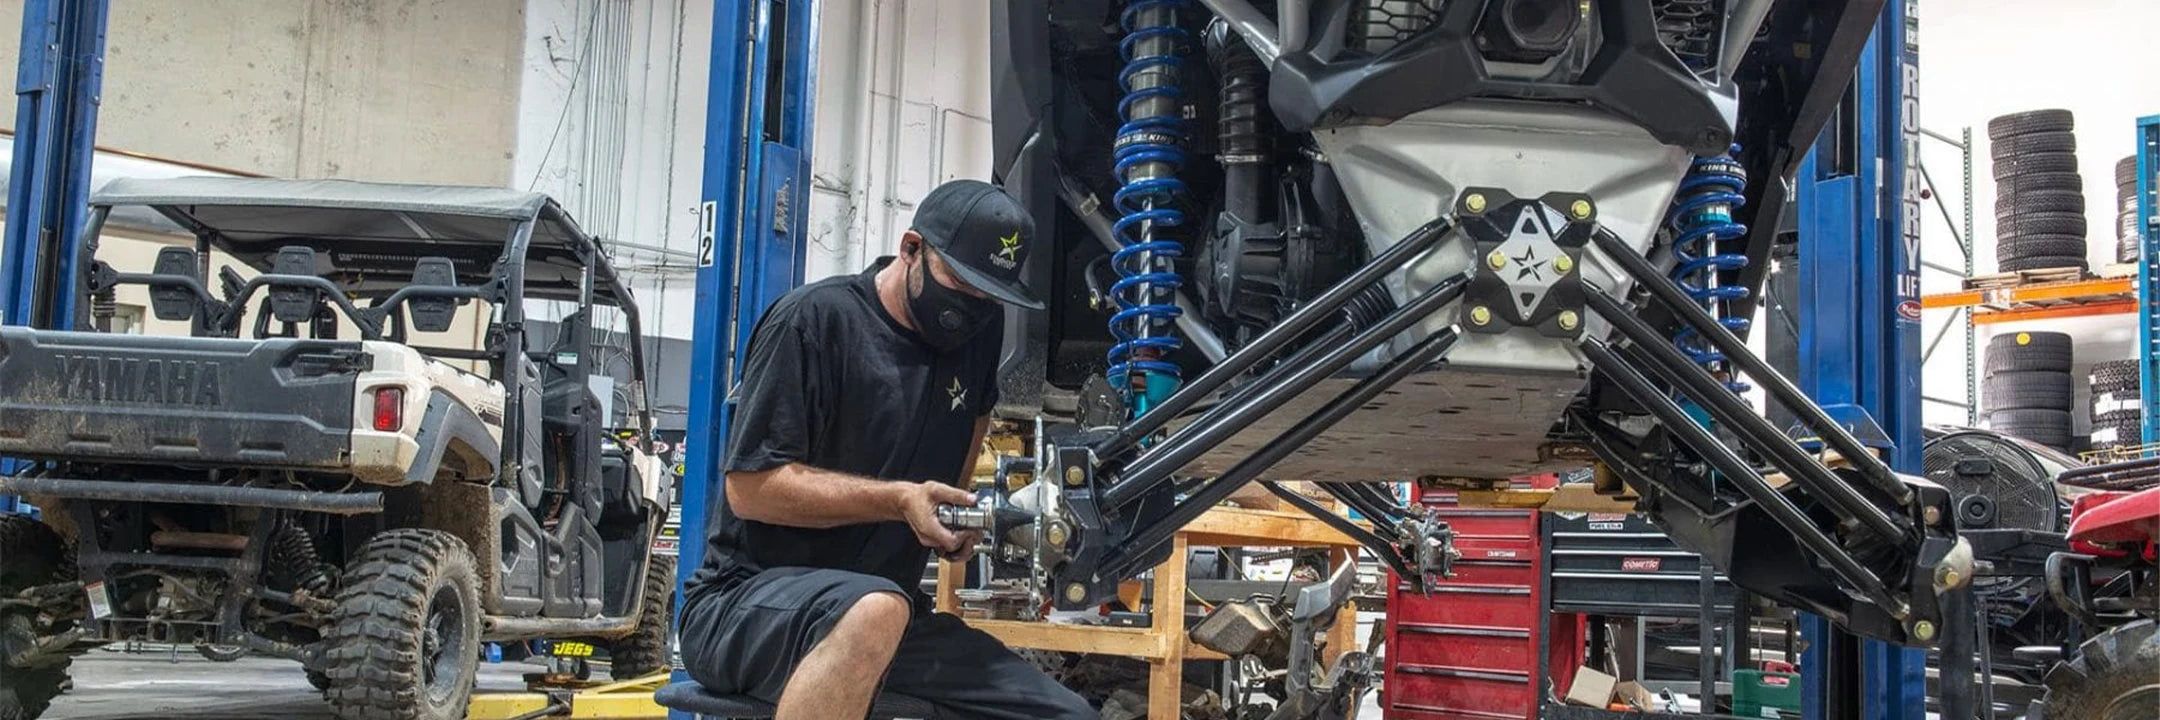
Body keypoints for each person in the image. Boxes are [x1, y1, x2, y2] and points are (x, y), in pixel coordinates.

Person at [679, 180, 1094, 720]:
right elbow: (751, 490)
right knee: (874, 609)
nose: (971, 308)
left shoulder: (979, 334)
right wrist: (899, 501)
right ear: (911, 248)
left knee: (1067, 715)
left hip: (893, 616)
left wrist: (954, 521)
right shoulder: (813, 322)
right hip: (744, 606)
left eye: (989, 297)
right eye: (959, 283)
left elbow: (974, 422)